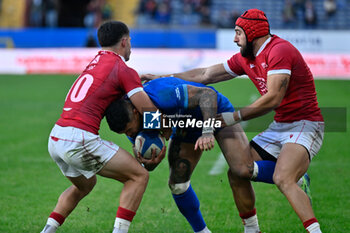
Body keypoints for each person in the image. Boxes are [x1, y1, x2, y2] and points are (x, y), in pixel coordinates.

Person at [142, 9, 324, 233]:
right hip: (280, 125)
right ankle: (252, 230)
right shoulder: (246, 58)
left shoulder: (280, 50)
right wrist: (164, 78)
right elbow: (206, 75)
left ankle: (307, 209)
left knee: (283, 178)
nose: (235, 39)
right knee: (238, 171)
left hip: (305, 123)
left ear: (253, 33)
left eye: (238, 32)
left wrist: (233, 117)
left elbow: (274, 97)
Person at [40, 21, 166, 233]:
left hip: (56, 137)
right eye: (130, 41)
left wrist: (134, 82)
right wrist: (156, 134)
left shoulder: (95, 63)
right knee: (139, 176)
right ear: (124, 41)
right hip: (79, 138)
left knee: (85, 186)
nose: (131, 46)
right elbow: (150, 111)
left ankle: (47, 230)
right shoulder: (122, 68)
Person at [105, 77, 259, 233]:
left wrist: (207, 131)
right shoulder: (129, 123)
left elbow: (208, 95)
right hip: (185, 124)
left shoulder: (162, 95)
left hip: (215, 112)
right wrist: (150, 163)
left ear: (136, 112)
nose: (130, 134)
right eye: (125, 133)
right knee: (177, 184)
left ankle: (253, 229)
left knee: (243, 169)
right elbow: (147, 163)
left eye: (129, 130)